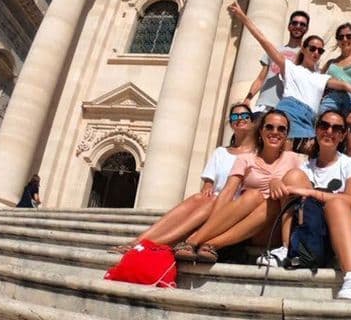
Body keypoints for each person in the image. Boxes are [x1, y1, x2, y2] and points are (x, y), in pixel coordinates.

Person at [110, 103, 256, 253]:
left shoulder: (256, 154)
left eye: (245, 116)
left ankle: (147, 244)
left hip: (232, 207)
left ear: (252, 122)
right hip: (212, 201)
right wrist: (207, 187)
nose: (240, 119)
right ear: (231, 123)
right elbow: (208, 183)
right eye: (235, 116)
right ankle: (139, 240)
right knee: (199, 197)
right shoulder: (220, 152)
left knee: (210, 201)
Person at [229, 2, 351, 151]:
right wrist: (242, 17)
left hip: (309, 120)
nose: (316, 52)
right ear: (303, 49)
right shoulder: (290, 68)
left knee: (304, 160)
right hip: (290, 112)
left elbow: (343, 85)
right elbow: (263, 41)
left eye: (320, 51)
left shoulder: (321, 77)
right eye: (312, 48)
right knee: (284, 156)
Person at [176, 109, 309, 264]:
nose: (275, 132)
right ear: (260, 131)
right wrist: (213, 224)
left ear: (286, 134)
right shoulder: (245, 159)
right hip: (248, 224)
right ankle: (200, 240)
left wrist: (281, 184)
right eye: (269, 127)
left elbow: (305, 193)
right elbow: (227, 193)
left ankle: (207, 243)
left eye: (281, 129)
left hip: (275, 228)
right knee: (253, 195)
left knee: (271, 201)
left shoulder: (295, 159)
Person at [265, 109, 351, 301]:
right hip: (314, 230)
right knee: (292, 177)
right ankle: (287, 248)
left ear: (343, 135)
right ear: (316, 129)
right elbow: (287, 187)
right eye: (324, 125)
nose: (329, 131)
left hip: (345, 226)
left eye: (337, 128)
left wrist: (311, 192)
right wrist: (275, 182)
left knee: (336, 203)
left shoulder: (350, 163)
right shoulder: (304, 167)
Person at [244, 10, 310, 112]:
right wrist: (248, 98)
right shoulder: (274, 51)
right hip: (264, 104)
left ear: (306, 29)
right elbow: (261, 78)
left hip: (289, 107)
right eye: (295, 23)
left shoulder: (307, 55)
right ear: (289, 26)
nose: (298, 26)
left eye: (302, 24)